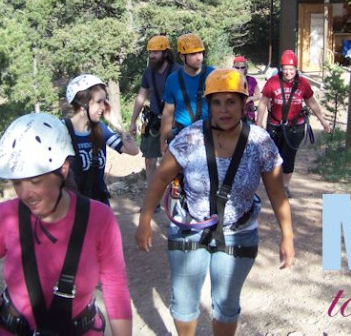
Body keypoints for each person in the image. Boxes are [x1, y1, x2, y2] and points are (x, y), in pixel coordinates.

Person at [0, 113, 132, 336]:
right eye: (17, 183)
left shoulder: (99, 219)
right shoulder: (8, 217)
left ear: (63, 169)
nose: (25, 193)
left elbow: (115, 287)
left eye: (35, 181)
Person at [136, 69, 294, 336]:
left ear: (243, 104)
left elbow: (278, 194)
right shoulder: (190, 138)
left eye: (231, 101)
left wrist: (287, 236)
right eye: (217, 102)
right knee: (184, 303)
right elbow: (161, 178)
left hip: (238, 232)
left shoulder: (260, 143)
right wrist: (144, 220)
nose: (224, 109)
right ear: (209, 105)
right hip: (190, 227)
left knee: (226, 305)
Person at [256, 50, 331, 198]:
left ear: (296, 69)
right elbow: (263, 102)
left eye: (291, 69)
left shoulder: (303, 84)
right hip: (275, 124)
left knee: (289, 156)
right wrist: (259, 122)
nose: (288, 72)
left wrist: (322, 120)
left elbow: (311, 102)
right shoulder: (273, 82)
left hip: (295, 126)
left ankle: (285, 186)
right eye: (285, 69)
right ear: (281, 68)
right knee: (273, 155)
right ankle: (274, 184)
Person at [65, 74, 139, 205]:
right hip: (73, 207)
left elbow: (133, 151)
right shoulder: (62, 131)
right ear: (83, 103)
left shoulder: (101, 129)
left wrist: (117, 127)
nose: (103, 107)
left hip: (99, 204)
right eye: (99, 101)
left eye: (104, 102)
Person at [129, 35, 182, 210]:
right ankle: (153, 202)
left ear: (165, 53)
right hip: (154, 121)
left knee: (176, 163)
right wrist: (133, 121)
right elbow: (141, 96)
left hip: (174, 122)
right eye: (150, 52)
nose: (152, 56)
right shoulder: (148, 73)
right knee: (150, 162)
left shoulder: (178, 71)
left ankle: (179, 200)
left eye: (156, 52)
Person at [159, 33, 214, 155]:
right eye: (193, 54)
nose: (199, 58)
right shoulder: (173, 80)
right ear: (182, 56)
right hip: (182, 137)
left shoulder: (213, 75)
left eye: (200, 53)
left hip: (210, 136)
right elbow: (168, 113)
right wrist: (163, 141)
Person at [232, 56, 261, 123]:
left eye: (242, 67)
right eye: (237, 68)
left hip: (249, 113)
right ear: (233, 68)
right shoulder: (230, 80)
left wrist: (249, 99)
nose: (240, 70)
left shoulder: (251, 80)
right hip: (234, 113)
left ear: (246, 68)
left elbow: (259, 96)